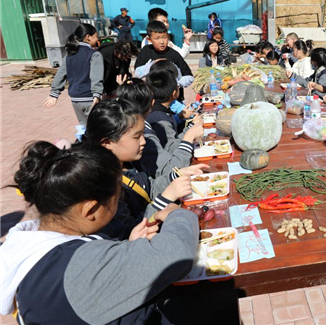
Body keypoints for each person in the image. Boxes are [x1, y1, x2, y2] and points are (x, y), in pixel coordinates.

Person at [0, 141, 201, 324]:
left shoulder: (33, 252)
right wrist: (179, 215)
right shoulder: (79, 267)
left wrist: (127, 248)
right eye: (117, 197)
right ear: (90, 210)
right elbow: (177, 253)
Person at [85, 99, 206, 238]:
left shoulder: (129, 163)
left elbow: (149, 188)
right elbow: (133, 232)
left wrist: (174, 176)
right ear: (107, 143)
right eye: (137, 137)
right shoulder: (106, 189)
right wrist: (167, 197)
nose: (144, 141)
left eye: (143, 134)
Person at [116, 79, 202, 178]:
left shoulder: (133, 126)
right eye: (137, 137)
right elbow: (171, 168)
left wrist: (179, 118)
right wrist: (189, 134)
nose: (142, 141)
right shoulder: (145, 135)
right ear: (152, 103)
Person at [44, 24, 103, 126]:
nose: (97, 39)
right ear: (88, 37)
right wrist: (97, 94)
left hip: (75, 99)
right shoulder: (94, 54)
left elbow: (61, 74)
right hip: (90, 99)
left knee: (84, 128)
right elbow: (96, 77)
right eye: (96, 36)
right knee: (97, 129)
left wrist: (54, 93)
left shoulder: (70, 54)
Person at [134, 21, 193, 101]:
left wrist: (176, 84)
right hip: (152, 100)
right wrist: (153, 64)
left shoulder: (174, 54)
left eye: (164, 37)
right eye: (157, 38)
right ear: (149, 39)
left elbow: (189, 76)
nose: (162, 42)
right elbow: (137, 73)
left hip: (174, 100)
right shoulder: (145, 51)